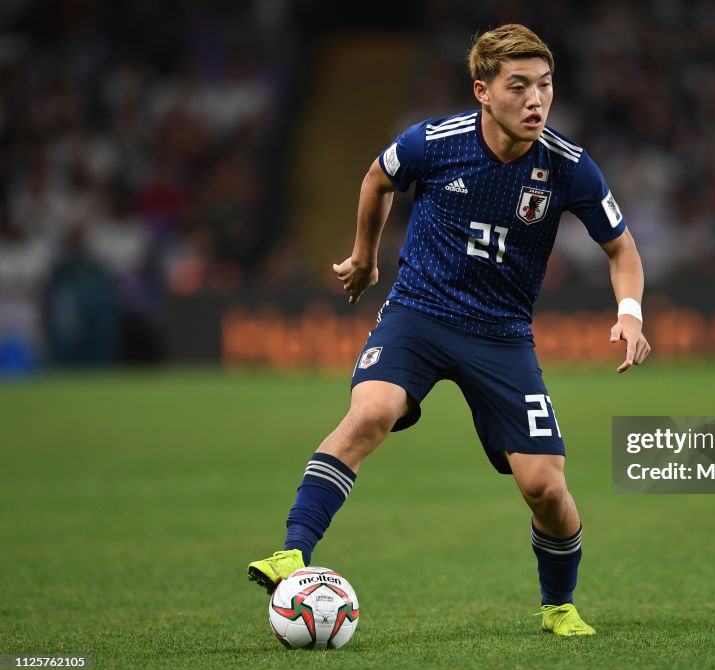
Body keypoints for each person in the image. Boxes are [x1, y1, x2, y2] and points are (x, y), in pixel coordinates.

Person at [247, 23, 650, 637]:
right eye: (519, 87)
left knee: (544, 486)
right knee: (371, 411)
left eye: (545, 85)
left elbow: (622, 251)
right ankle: (293, 551)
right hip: (420, 314)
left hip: (502, 335)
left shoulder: (569, 167)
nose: (536, 100)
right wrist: (364, 256)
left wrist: (629, 314)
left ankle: (558, 605)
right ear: (483, 92)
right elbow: (377, 179)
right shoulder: (433, 143)